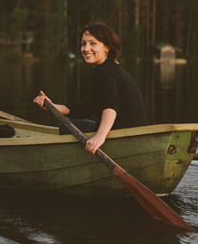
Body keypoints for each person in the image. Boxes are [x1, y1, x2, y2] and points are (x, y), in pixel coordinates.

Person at [33, 20, 147, 154]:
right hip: (133, 133)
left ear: (107, 47)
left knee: (65, 127)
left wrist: (99, 137)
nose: (86, 49)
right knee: (69, 122)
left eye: (93, 43)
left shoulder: (103, 71)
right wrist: (51, 106)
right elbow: (87, 108)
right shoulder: (113, 67)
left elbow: (111, 106)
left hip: (122, 135)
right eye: (83, 44)